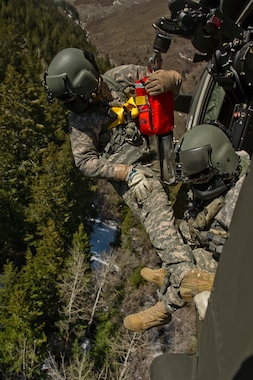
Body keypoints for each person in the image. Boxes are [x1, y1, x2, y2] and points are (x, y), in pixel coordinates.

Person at [43, 48, 230, 332]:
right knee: (155, 204)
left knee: (188, 197)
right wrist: (125, 173)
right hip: (134, 174)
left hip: (160, 150)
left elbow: (163, 81)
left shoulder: (121, 78)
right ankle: (181, 276)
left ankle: (177, 266)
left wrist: (171, 79)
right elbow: (84, 162)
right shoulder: (80, 122)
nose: (78, 106)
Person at [123, 124, 250, 331]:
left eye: (201, 179)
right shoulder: (228, 170)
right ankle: (172, 273)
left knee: (194, 273)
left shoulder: (242, 199)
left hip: (234, 267)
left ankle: (165, 307)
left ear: (221, 161)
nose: (196, 185)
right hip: (210, 244)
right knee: (180, 246)